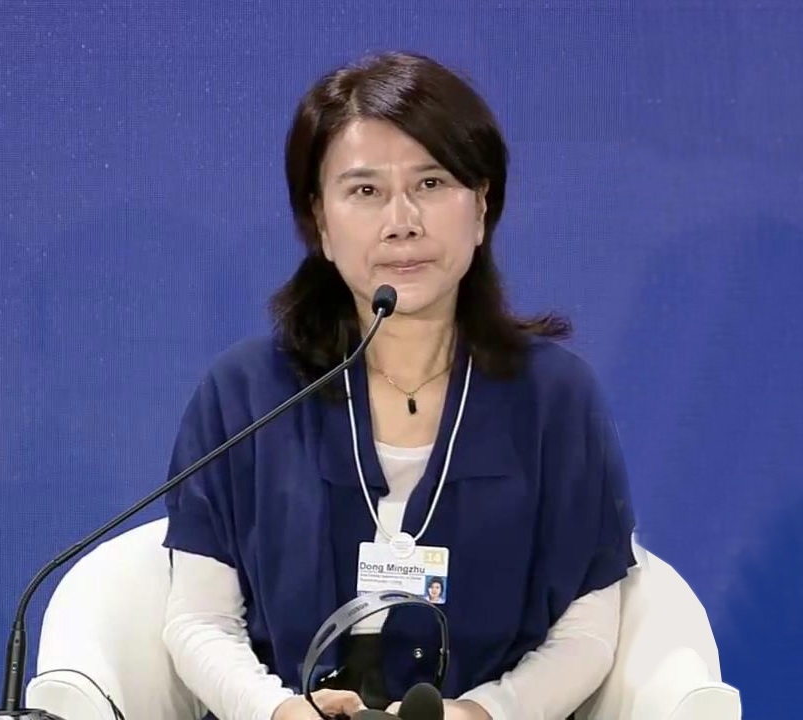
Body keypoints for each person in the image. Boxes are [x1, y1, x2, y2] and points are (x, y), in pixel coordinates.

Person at [161, 51, 637, 720]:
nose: (402, 221)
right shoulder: (245, 396)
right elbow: (199, 620)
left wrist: (487, 713)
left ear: (482, 206)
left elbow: (587, 631)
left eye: (432, 183)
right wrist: (277, 710)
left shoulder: (554, 398)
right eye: (365, 191)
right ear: (320, 221)